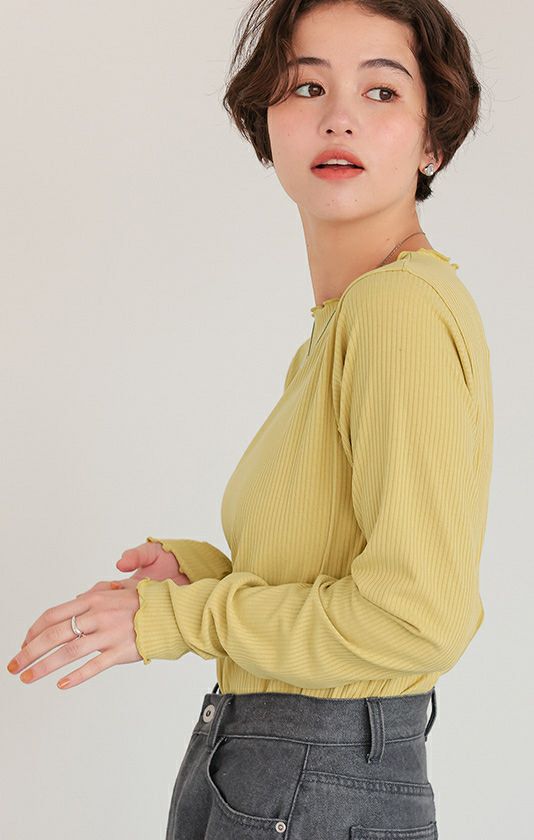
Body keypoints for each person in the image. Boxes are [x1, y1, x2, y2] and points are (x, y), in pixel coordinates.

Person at [7, 1, 493, 837]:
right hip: (276, 765)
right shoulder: (347, 323)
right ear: (266, 123)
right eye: (306, 86)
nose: (338, 116)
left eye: (381, 91)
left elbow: (416, 620)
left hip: (315, 773)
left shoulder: (398, 312)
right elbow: (342, 571)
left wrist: (181, 619)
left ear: (432, 141)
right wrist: (205, 577)